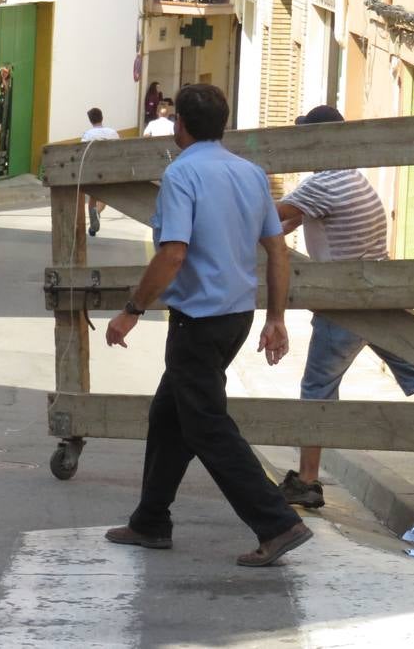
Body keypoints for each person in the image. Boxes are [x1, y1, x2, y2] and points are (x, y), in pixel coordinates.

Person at [103, 84, 311, 567]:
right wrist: (276, 316)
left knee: (207, 427)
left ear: (182, 126)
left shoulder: (182, 175)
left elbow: (173, 252)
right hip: (235, 317)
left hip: (198, 320)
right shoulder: (251, 173)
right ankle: (150, 520)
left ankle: (277, 522)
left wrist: (132, 310)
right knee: (170, 416)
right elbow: (277, 249)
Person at [275, 105, 414, 508]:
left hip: (345, 305)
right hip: (378, 299)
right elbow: (293, 220)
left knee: (316, 391)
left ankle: (307, 482)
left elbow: (272, 217)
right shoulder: (354, 179)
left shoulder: (321, 184)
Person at [82, 108, 120, 236]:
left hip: (93, 169)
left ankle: (93, 226)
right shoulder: (112, 133)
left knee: (93, 195)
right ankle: (97, 211)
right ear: (102, 117)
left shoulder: (87, 135)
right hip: (108, 168)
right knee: (104, 195)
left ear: (90, 120)